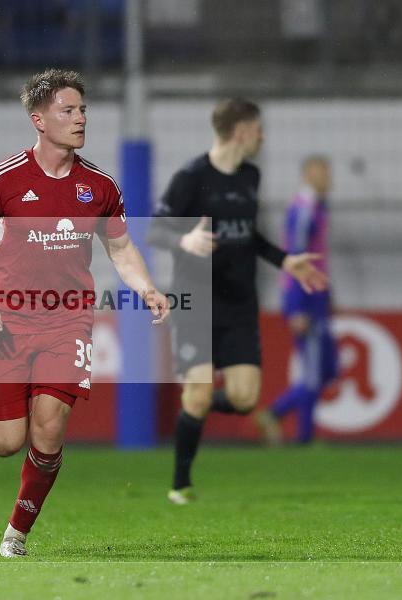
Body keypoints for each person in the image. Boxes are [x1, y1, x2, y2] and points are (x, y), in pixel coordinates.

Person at [0, 68, 169, 557]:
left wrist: (147, 286)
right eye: (68, 110)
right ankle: (9, 409)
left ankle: (16, 533)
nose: (80, 118)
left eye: (83, 109)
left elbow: (121, 247)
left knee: (50, 425)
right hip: (8, 323)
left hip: (68, 320)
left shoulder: (100, 186)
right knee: (5, 442)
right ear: (38, 119)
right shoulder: (4, 179)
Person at [147, 98, 328, 505]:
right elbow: (155, 231)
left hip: (240, 305)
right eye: (258, 128)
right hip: (196, 300)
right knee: (198, 395)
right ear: (241, 130)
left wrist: (286, 261)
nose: (263, 136)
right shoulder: (191, 177)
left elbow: (250, 235)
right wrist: (185, 239)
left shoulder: (251, 176)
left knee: (246, 398)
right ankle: (180, 483)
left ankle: (198, 404)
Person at [255, 156, 339, 445]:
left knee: (329, 368)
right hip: (304, 298)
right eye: (323, 172)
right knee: (314, 371)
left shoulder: (317, 207)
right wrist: (297, 305)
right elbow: (296, 257)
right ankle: (304, 437)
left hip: (317, 296)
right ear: (308, 175)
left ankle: (275, 413)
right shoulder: (302, 210)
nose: (329, 178)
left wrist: (328, 294)